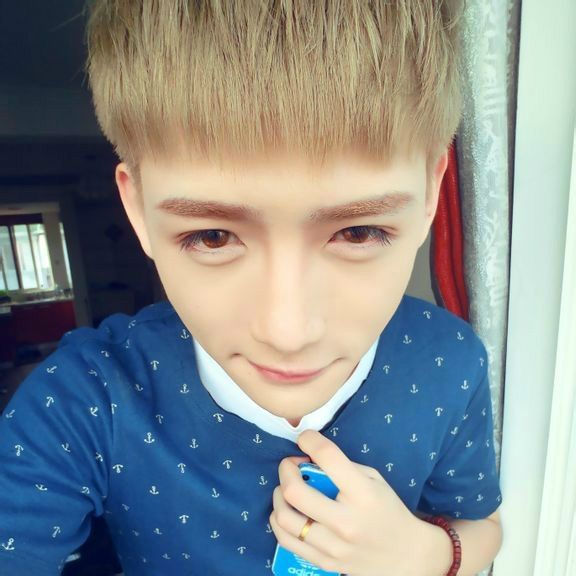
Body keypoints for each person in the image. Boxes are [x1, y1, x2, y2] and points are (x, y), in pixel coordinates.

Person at [0, 1, 503, 575]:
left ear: (431, 194)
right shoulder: (85, 398)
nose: (288, 333)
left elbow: (481, 523)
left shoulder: (449, 361)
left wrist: (423, 556)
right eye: (212, 237)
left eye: (358, 232)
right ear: (137, 210)